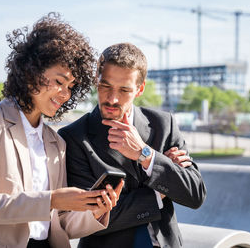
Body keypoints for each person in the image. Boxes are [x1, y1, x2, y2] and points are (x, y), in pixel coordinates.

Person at [0, 13, 123, 248]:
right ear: (31, 72)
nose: (65, 94)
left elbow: (60, 224)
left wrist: (94, 211)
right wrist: (51, 199)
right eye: (59, 82)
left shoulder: (56, 142)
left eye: (71, 87)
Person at [58, 43, 206, 248]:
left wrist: (146, 155)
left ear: (140, 89)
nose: (112, 98)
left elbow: (195, 194)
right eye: (105, 86)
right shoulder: (73, 137)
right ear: (96, 81)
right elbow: (91, 218)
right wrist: (160, 190)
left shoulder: (163, 124)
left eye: (124, 90)